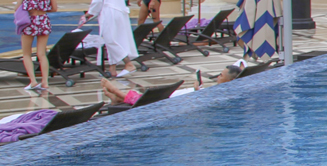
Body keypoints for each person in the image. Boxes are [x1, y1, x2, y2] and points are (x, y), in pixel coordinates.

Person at [98, 60, 245, 106]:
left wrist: (197, 92)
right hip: (181, 97)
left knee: (147, 101)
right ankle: (118, 98)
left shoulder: (225, 96)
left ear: (230, 80)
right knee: (151, 96)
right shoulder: (225, 91)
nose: (218, 77)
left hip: (176, 103)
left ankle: (118, 93)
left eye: (221, 75)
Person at [79, 0, 140, 76]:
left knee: (110, 40)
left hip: (110, 13)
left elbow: (97, 0)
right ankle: (112, 69)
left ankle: (128, 63)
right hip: (119, 12)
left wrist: (89, 14)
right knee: (114, 39)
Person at [12, 0, 57, 93]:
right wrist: (42, 9)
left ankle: (33, 81)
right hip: (43, 20)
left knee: (26, 54)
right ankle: (45, 82)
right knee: (42, 54)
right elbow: (54, 8)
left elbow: (17, 8)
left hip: (29, 22)